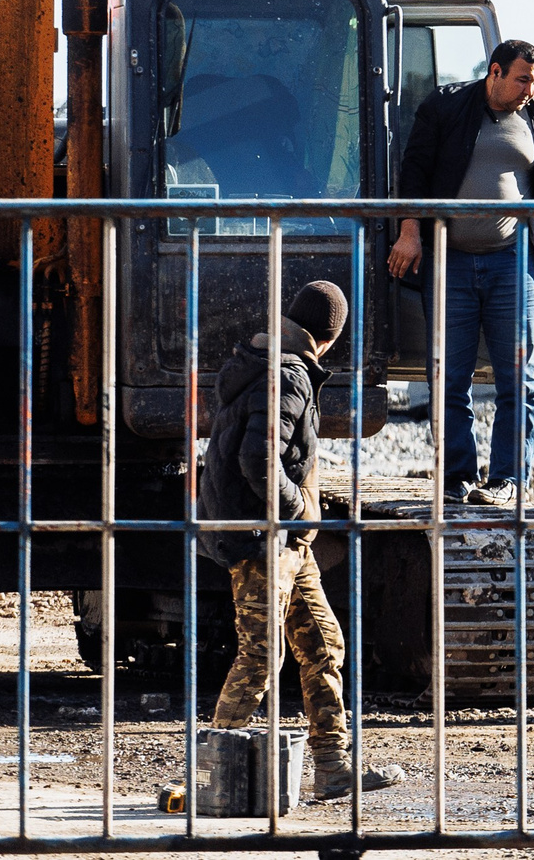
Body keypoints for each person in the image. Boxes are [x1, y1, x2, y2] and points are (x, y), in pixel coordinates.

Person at [201, 281, 403, 801]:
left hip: (287, 542)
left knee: (322, 643)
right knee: (260, 658)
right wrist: (297, 509)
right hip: (264, 536)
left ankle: (333, 768)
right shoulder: (288, 375)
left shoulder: (267, 361)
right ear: (330, 335)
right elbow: (258, 459)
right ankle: (211, 775)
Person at [389, 37, 534, 508]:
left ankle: (508, 479)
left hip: (513, 261)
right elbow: (414, 170)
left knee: (520, 379)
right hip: (449, 259)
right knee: (449, 376)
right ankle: (457, 478)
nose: (528, 90)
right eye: (521, 79)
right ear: (494, 72)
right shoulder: (446, 107)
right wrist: (410, 231)